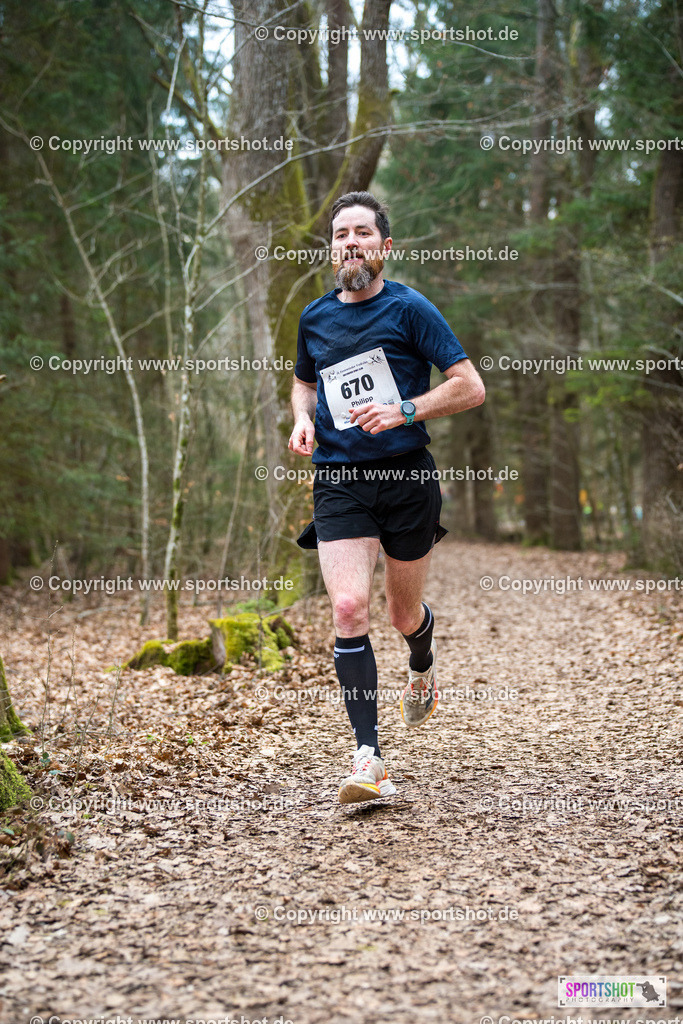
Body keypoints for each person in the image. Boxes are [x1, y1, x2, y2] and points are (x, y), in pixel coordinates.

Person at [288, 191, 485, 804]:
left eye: (363, 233)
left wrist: (406, 409)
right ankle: (368, 756)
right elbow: (302, 385)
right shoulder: (314, 318)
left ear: (384, 247)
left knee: (402, 616)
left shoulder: (410, 309)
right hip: (340, 480)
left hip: (405, 479)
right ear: (332, 248)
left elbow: (470, 388)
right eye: (341, 233)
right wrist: (302, 421)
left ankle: (421, 661)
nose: (351, 242)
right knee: (349, 608)